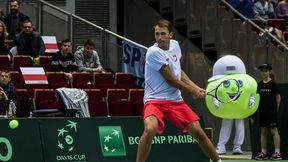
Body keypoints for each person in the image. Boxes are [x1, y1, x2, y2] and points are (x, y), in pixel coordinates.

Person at [136, 19, 221, 162]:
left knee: (198, 132)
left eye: (163, 34)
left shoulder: (175, 46)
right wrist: (191, 91)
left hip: (175, 100)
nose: (159, 38)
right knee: (150, 129)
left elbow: (178, 71)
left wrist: (195, 87)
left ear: (171, 35)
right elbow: (171, 79)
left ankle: (218, 161)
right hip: (154, 100)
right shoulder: (153, 52)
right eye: (157, 34)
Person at [254, 63, 282, 160]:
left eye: (265, 70)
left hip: (271, 113)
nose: (263, 72)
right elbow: (257, 98)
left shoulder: (273, 84)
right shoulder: (259, 84)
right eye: (261, 70)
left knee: (274, 131)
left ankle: (277, 153)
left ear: (269, 71)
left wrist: (275, 110)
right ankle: (263, 153)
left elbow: (278, 98)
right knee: (263, 132)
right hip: (262, 112)